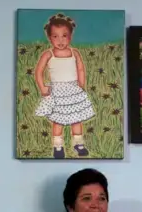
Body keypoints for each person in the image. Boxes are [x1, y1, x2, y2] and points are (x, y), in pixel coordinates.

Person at [34, 13, 95, 159]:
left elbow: (80, 68)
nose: (60, 40)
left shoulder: (74, 52)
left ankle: (78, 144)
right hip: (57, 91)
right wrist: (42, 88)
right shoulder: (48, 54)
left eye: (64, 36)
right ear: (49, 38)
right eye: (55, 36)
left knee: (76, 119)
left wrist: (81, 83)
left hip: (73, 90)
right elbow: (38, 72)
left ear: (70, 36)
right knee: (58, 120)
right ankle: (58, 146)